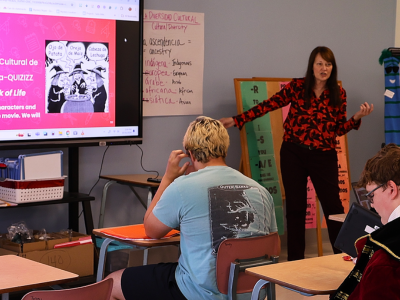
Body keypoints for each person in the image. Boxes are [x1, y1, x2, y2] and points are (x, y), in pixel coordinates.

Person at [220, 46, 374, 261]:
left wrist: (356, 117)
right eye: (320, 63)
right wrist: (238, 120)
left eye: (328, 64)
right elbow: (269, 104)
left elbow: (338, 130)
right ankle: (295, 262)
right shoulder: (298, 86)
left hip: (324, 156)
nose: (324, 68)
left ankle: (345, 259)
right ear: (312, 66)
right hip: (294, 153)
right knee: (295, 208)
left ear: (333, 68)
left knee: (334, 208)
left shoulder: (339, 93)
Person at [106, 116, 278, 300]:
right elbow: (274, 245)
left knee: (112, 283)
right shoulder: (261, 191)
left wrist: (167, 178)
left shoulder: (182, 186)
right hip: (252, 292)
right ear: (225, 149)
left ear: (191, 154)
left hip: (199, 294)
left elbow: (151, 230)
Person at [331, 143, 400, 300]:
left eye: (372, 196)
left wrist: (368, 268)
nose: (372, 204)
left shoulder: (385, 261)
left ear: (391, 189)